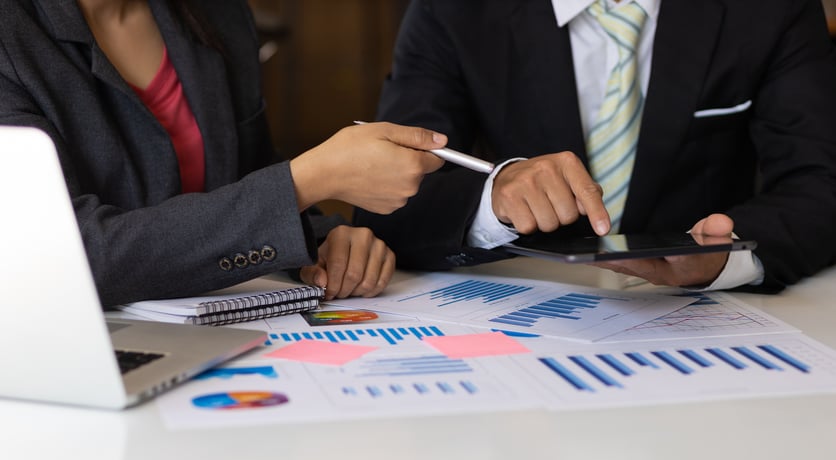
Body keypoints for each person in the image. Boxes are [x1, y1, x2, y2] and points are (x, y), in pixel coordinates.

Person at [0, 0, 448, 306]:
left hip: (231, 337)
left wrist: (323, 237)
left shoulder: (217, 14)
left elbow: (246, 182)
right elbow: (62, 254)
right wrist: (309, 181)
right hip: (80, 356)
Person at [354, 0, 836, 292]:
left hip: (711, 314)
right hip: (523, 317)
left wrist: (729, 257)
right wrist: (494, 201)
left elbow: (821, 183)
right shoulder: (453, 11)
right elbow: (387, 199)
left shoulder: (772, 11)